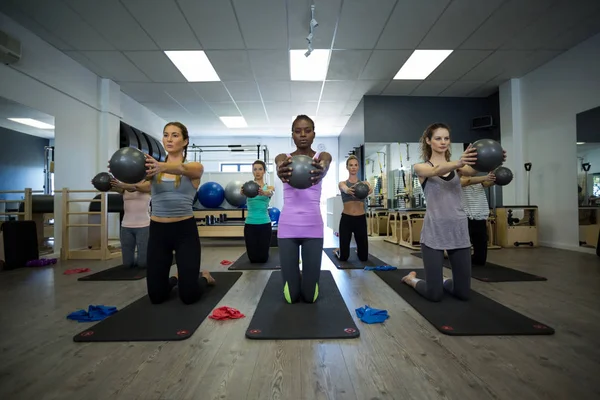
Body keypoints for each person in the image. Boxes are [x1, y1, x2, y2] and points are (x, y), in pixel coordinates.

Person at [401, 123, 506, 301]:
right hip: (434, 230)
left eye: (446, 138)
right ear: (428, 141)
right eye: (438, 138)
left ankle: (440, 281)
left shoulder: (458, 168)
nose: (443, 142)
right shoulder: (420, 167)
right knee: (434, 295)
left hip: (459, 229)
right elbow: (436, 170)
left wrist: (494, 160)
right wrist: (458, 162)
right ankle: (412, 279)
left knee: (463, 293)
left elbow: (473, 169)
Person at [143, 121, 215, 305]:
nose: (169, 139)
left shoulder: (194, 167)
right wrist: (119, 183)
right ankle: (176, 279)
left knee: (189, 296)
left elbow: (182, 169)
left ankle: (205, 278)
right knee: (156, 296)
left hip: (184, 231)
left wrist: (160, 166)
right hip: (158, 232)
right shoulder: (153, 170)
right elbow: (139, 185)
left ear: (185, 141)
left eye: (175, 135)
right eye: (166, 134)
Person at [275, 115, 332, 304]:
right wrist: (279, 167)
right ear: (292, 135)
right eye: (298, 131)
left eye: (307, 130)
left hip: (313, 229)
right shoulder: (285, 159)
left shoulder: (319, 159)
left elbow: (326, 159)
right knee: (291, 297)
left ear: (314, 134)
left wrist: (323, 168)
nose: (303, 135)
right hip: (287, 229)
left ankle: (304, 277)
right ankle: (294, 275)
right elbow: (279, 161)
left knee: (310, 297)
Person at [334, 155, 372, 261]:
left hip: (360, 219)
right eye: (351, 165)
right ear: (347, 167)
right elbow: (344, 189)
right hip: (347, 219)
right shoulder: (343, 183)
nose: (353, 167)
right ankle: (339, 251)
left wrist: (369, 189)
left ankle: (358, 251)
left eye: (355, 165)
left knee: (363, 258)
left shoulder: (364, 184)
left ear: (358, 167)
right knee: (344, 257)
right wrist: (348, 190)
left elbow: (370, 189)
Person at [109, 178, 151, 269]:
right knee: (127, 264)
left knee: (143, 264)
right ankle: (142, 257)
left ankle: (149, 258)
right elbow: (111, 187)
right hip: (126, 226)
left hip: (144, 226)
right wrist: (104, 183)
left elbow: (135, 187)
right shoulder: (125, 184)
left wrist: (122, 185)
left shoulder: (148, 183)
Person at [241, 160, 274, 263]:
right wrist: (242, 192)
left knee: (263, 258)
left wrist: (264, 193)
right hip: (250, 224)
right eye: (255, 169)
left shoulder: (269, 187)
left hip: (264, 224)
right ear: (252, 171)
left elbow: (270, 193)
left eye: (260, 169)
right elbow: (241, 192)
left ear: (264, 171)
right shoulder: (246, 187)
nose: (257, 172)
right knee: (252, 259)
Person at [460, 171, 496, 266]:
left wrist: (497, 178)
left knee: (481, 243)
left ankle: (478, 259)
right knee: (463, 243)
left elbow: (488, 183)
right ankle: (460, 260)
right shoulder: (459, 180)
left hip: (480, 215)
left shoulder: (479, 181)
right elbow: (466, 181)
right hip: (465, 216)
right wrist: (485, 177)